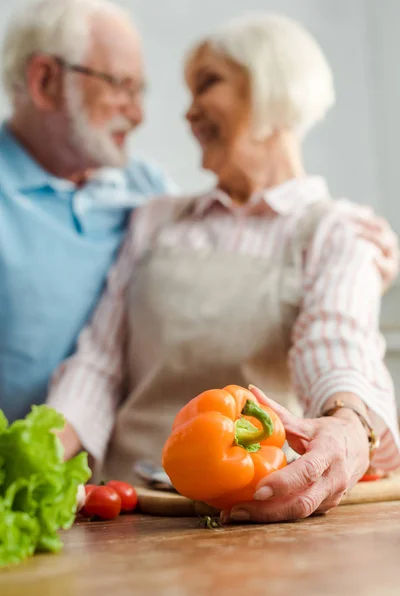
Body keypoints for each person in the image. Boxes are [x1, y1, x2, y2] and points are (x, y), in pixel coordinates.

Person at [48, 13, 400, 522]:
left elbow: (335, 338)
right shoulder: (154, 219)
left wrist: (347, 422)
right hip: (129, 508)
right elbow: (98, 365)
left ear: (272, 86)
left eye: (207, 84)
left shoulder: (339, 230)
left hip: (256, 518)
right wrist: (40, 452)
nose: (188, 113)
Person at [0, 0, 176, 423]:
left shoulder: (146, 188)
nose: (137, 115)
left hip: (123, 478)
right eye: (120, 87)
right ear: (45, 81)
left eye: (140, 91)